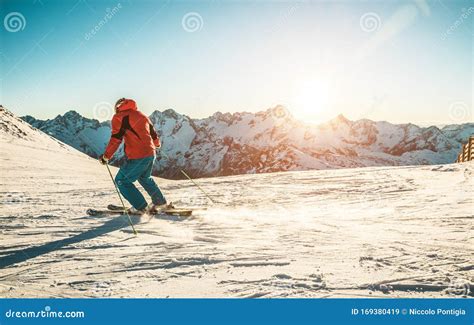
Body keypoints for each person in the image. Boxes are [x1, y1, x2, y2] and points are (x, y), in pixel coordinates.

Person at [99, 98, 167, 214]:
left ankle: (140, 207)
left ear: (118, 107)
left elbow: (116, 138)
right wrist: (156, 144)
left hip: (138, 156)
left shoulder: (119, 117)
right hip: (151, 153)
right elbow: (153, 135)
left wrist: (106, 156)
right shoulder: (143, 116)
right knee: (144, 178)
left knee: (121, 180)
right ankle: (160, 203)